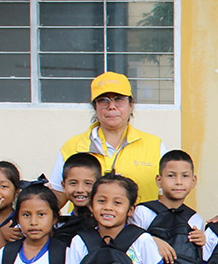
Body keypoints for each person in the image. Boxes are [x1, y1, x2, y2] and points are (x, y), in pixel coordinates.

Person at [49, 72, 168, 206]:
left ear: (131, 104)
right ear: (95, 106)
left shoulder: (154, 146)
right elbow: (57, 198)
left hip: (141, 226)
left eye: (119, 99)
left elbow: (167, 197)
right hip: (85, 226)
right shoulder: (73, 146)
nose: (111, 106)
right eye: (103, 100)